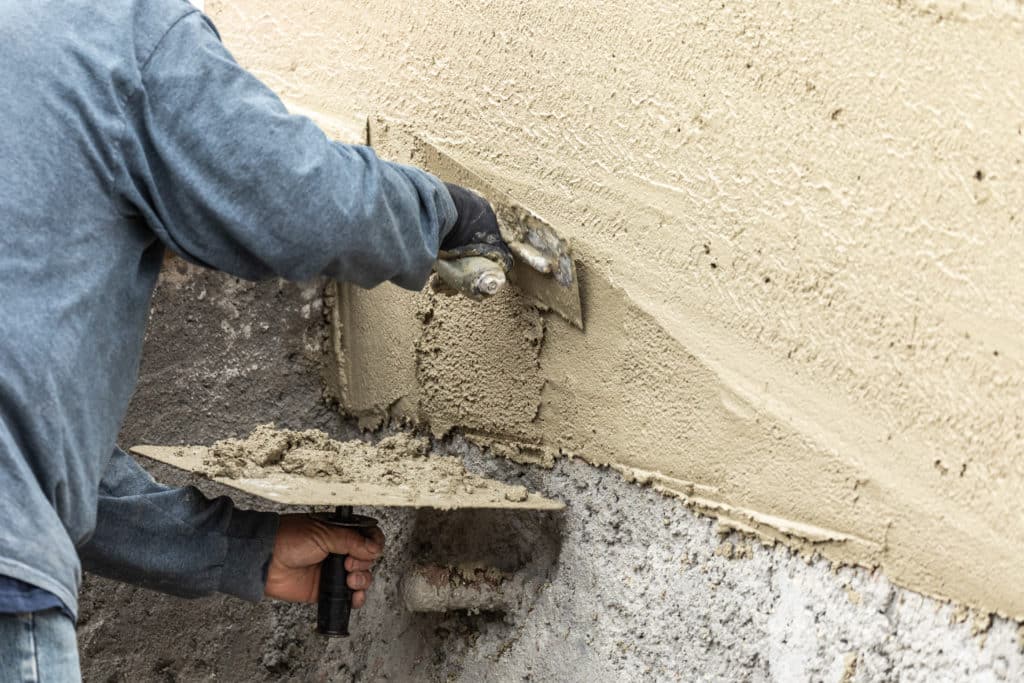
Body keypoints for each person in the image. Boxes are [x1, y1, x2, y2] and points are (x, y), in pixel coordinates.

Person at [0, 0, 513, 679]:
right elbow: (292, 201)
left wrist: (245, 550)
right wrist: (443, 215)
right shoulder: (105, 25)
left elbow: (29, 457)